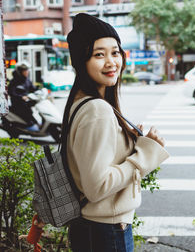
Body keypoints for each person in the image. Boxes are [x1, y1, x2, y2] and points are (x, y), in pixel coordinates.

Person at [62, 13, 170, 252]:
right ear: (82, 60)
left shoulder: (82, 102)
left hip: (94, 227)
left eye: (115, 52)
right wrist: (144, 155)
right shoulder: (97, 110)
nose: (111, 62)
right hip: (106, 231)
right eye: (99, 54)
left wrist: (127, 140)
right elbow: (97, 186)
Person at [7, 63, 39, 131]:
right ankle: (28, 126)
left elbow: (33, 88)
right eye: (25, 71)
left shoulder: (27, 80)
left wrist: (40, 91)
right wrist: (21, 97)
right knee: (27, 111)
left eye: (27, 70)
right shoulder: (14, 81)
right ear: (20, 72)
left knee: (33, 108)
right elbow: (11, 92)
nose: (27, 72)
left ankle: (35, 123)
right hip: (18, 102)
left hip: (26, 101)